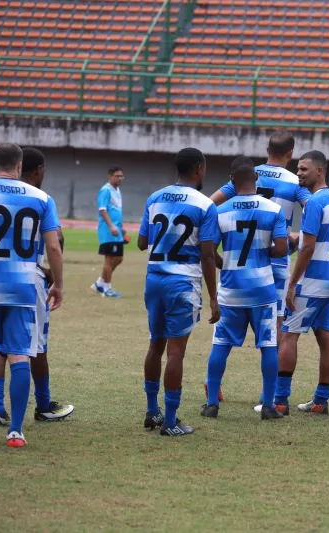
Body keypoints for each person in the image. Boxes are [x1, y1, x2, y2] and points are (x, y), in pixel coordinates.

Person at [209, 131, 311, 407]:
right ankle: (271, 399)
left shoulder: (246, 174)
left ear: (267, 149)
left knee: (225, 332)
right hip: (274, 263)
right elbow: (313, 211)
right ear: (291, 153)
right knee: (272, 333)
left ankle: (212, 385)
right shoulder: (295, 181)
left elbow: (210, 203)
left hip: (236, 263)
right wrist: (297, 237)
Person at [0, 148, 74, 428]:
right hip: (25, 283)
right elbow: (54, 244)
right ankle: (25, 420)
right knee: (24, 350)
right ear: (21, 165)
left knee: (0, 348)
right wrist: (58, 283)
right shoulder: (42, 199)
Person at [138, 148, 220, 437]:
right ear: (199, 169)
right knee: (176, 352)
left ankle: (151, 411)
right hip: (182, 283)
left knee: (155, 345)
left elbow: (141, 241)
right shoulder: (205, 205)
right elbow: (208, 255)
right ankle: (171, 421)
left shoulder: (155, 197)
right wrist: (213, 297)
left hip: (154, 279)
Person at [201, 164, 289, 420]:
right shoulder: (274, 209)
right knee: (268, 345)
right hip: (262, 290)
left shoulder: (219, 211)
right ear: (256, 178)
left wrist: (223, 263)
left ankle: (211, 405)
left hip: (231, 290)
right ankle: (269, 406)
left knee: (221, 344)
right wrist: (262, 253)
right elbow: (282, 249)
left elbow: (208, 251)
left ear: (231, 180)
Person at [275, 150, 329, 415]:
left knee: (288, 334)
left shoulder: (314, 202)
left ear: (319, 171)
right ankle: (320, 401)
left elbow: (307, 247)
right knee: (326, 335)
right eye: (298, 168)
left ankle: (280, 401)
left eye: (304, 169)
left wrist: (292, 284)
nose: (299, 173)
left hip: (312, 280)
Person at [91, 166, 126, 298]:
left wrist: (121, 226)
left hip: (117, 230)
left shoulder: (117, 190)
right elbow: (103, 210)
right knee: (109, 259)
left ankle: (100, 282)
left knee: (119, 258)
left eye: (122, 176)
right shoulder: (105, 190)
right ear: (110, 176)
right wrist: (111, 226)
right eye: (117, 176)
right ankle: (107, 288)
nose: (120, 178)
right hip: (108, 230)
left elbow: (117, 210)